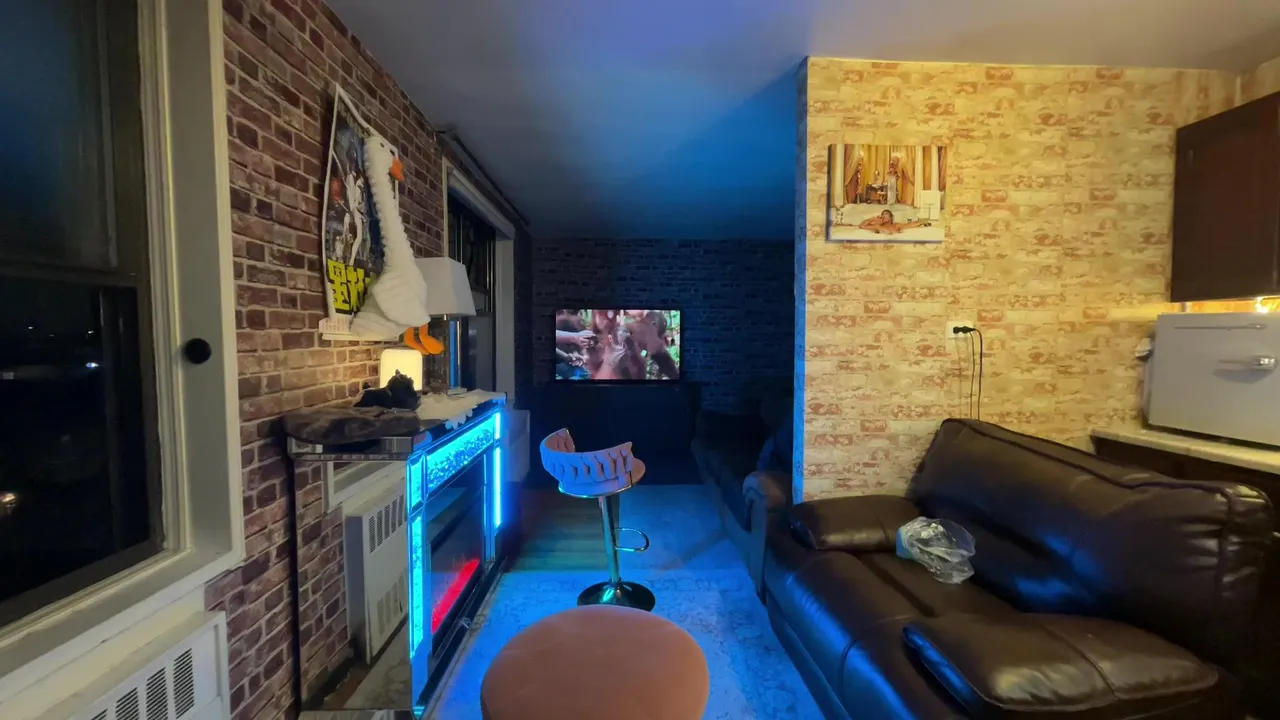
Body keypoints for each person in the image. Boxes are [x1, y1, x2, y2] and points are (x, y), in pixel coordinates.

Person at [858, 209, 932, 235]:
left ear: (890, 218)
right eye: (882, 214)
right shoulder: (878, 227)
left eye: (886, 214)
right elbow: (862, 226)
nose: (883, 216)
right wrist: (872, 218)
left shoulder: (896, 226)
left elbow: (908, 225)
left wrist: (921, 222)